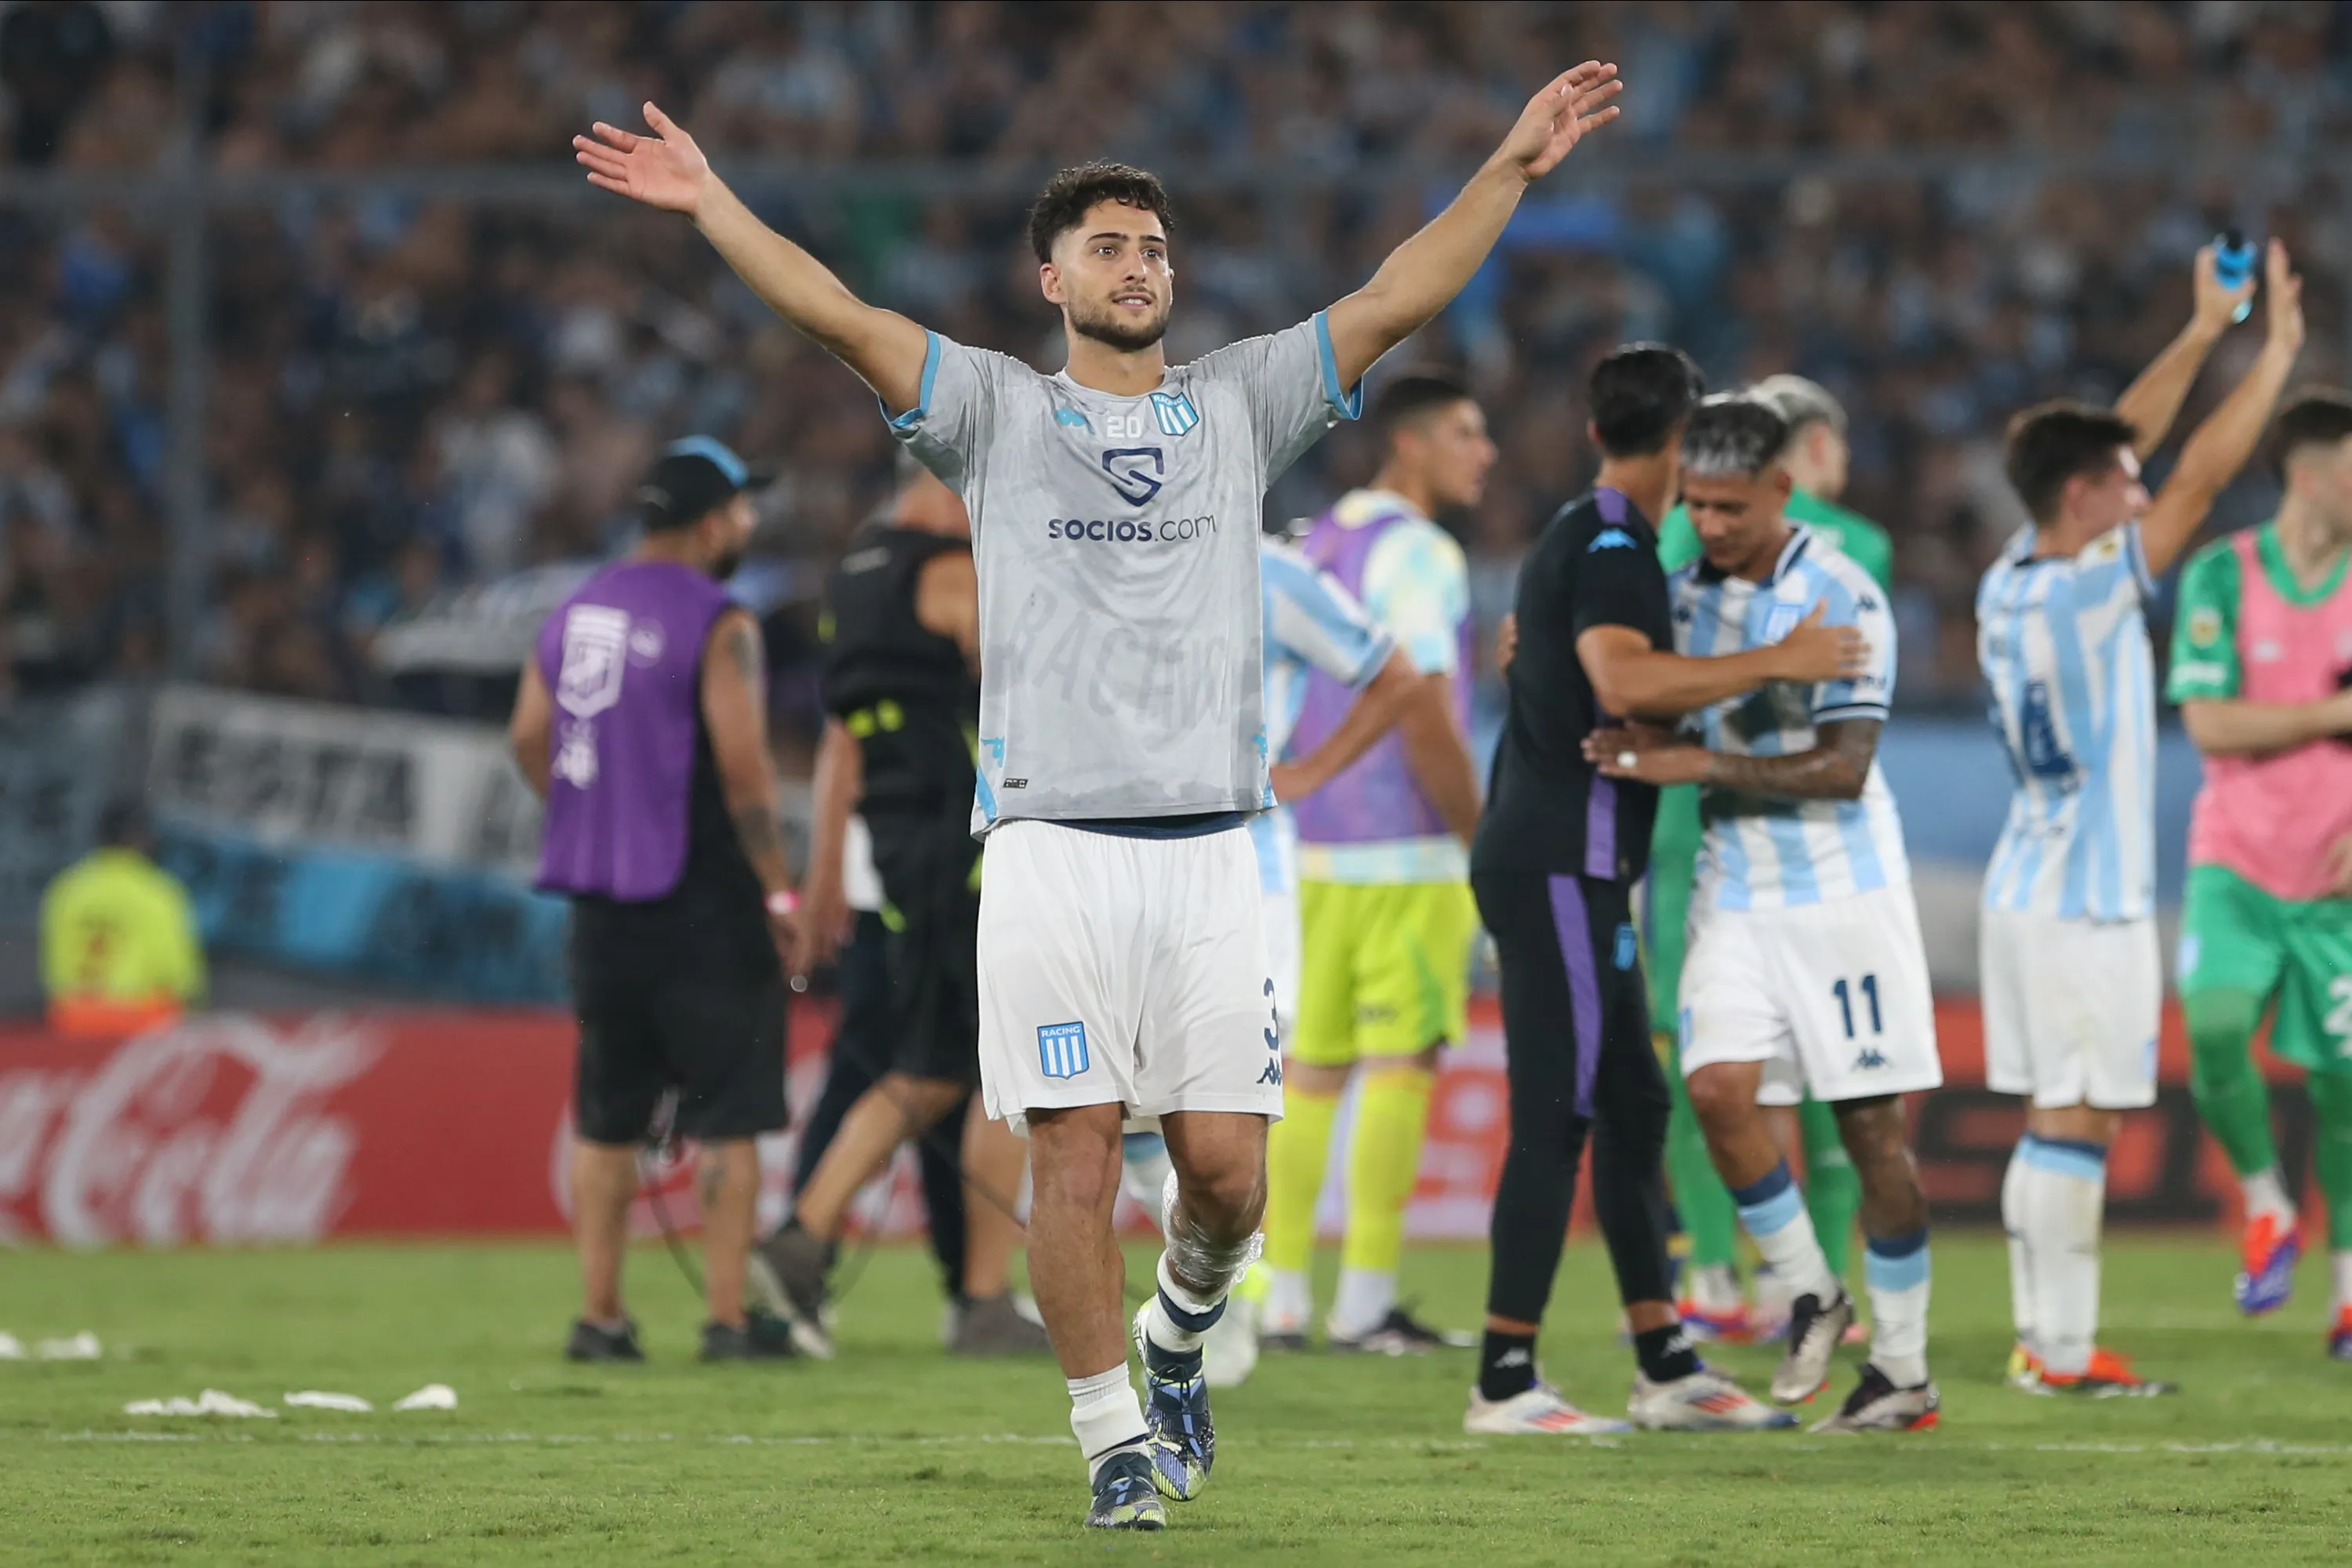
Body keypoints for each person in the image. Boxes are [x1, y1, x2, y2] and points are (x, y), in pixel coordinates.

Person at [575, 61, 1624, 1531]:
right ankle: (1109, 1440)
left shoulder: (1242, 402)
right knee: (1071, 1148)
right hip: (1055, 847)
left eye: (1155, 248)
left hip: (1213, 861)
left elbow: (1397, 296)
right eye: (1112, 248)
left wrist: (1509, 167)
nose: (1142, 267)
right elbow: (837, 314)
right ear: (1052, 275)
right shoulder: (994, 413)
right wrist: (711, 205)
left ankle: (1174, 1342)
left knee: (1226, 1188)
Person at [1470, 349, 1860, 1437]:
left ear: (1597, 430)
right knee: (1560, 1116)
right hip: (1558, 862)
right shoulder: (1610, 547)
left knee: (1636, 1112)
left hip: (1576, 864)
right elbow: (1624, 678)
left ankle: (1666, 1362)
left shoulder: (1597, 536)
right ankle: (1504, 1377)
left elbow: (1581, 673)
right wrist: (1781, 659)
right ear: (1684, 441)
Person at [1980, 242, 2303, 1394]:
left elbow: (2119, 441)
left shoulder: (2015, 571)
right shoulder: (2085, 590)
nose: (2141, 488)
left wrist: (2203, 330)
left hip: (2027, 888)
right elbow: (2200, 478)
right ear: (2088, 501)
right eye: (2123, 485)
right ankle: (2057, 1351)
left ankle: (2045, 1340)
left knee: (2052, 1118)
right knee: (2076, 1124)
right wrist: (2274, 359)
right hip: (2085, 902)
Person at [1592, 394, 1939, 1433]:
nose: (1711, 523)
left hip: (1845, 895)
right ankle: (1812, 1293)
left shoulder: (1842, 598)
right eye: (1696, 504)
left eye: (1732, 507)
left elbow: (1844, 767)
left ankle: (1906, 1370)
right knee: (1717, 1092)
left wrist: (1699, 758)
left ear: (1784, 492)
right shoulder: (1679, 587)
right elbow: (1638, 694)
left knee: (1871, 1130)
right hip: (1732, 888)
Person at [510, 436, 799, 1364]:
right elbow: (748, 776)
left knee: (606, 1113)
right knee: (727, 1113)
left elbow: (526, 736)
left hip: (600, 903)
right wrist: (781, 890)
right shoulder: (722, 621)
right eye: (744, 509)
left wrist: (593, 812)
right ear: (712, 522)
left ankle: (599, 1316)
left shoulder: (573, 609)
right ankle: (723, 1320)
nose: (748, 526)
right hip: (704, 898)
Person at [758, 459, 1050, 1359]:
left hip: (895, 845)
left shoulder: (854, 575)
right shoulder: (949, 571)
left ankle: (801, 1236)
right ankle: (987, 1296)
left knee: (927, 1069)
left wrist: (828, 869)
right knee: (1009, 1073)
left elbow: (844, 734)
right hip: (964, 849)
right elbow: (1029, 675)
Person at [1649, 375, 1888, 1342]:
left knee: (1694, 1057)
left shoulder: (1673, 534)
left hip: (1682, 829)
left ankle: (1711, 1272)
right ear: (1813, 452)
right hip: (1812, 839)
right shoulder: (1857, 548)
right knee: (1836, 1072)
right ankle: (1824, 1278)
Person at [1258, 372, 1487, 1356]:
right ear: (1414, 444)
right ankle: (1366, 1299)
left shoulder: (1324, 538)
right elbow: (1424, 695)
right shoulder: (1422, 553)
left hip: (1316, 850)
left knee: (1312, 1068)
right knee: (1401, 1062)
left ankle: (1277, 1292)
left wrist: (1307, 775)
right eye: (1467, 434)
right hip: (1406, 845)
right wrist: (1479, 832)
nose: (1486, 452)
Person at [1198, 526, 1431, 1385]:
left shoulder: (1274, 574)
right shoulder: (1107, 545)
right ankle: (1212, 1288)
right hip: (1122, 858)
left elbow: (1395, 672)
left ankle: (1231, 1290)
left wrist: (1310, 768)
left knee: (1237, 1098)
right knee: (1125, 1102)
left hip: (1247, 870)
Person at [2168, 387, 2352, 1358]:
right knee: (2214, 1026)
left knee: (2344, 1089)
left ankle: (2349, 1293)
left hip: (2337, 881)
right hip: (2235, 862)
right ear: (2316, 478)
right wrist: (2331, 715)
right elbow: (2209, 721)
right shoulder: (2223, 576)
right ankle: (2268, 1201)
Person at [39, 800, 204, 1038]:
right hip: (142, 1026)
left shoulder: (68, 888)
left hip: (73, 1024)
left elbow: (53, 969)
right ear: (140, 838)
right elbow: (180, 977)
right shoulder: (157, 891)